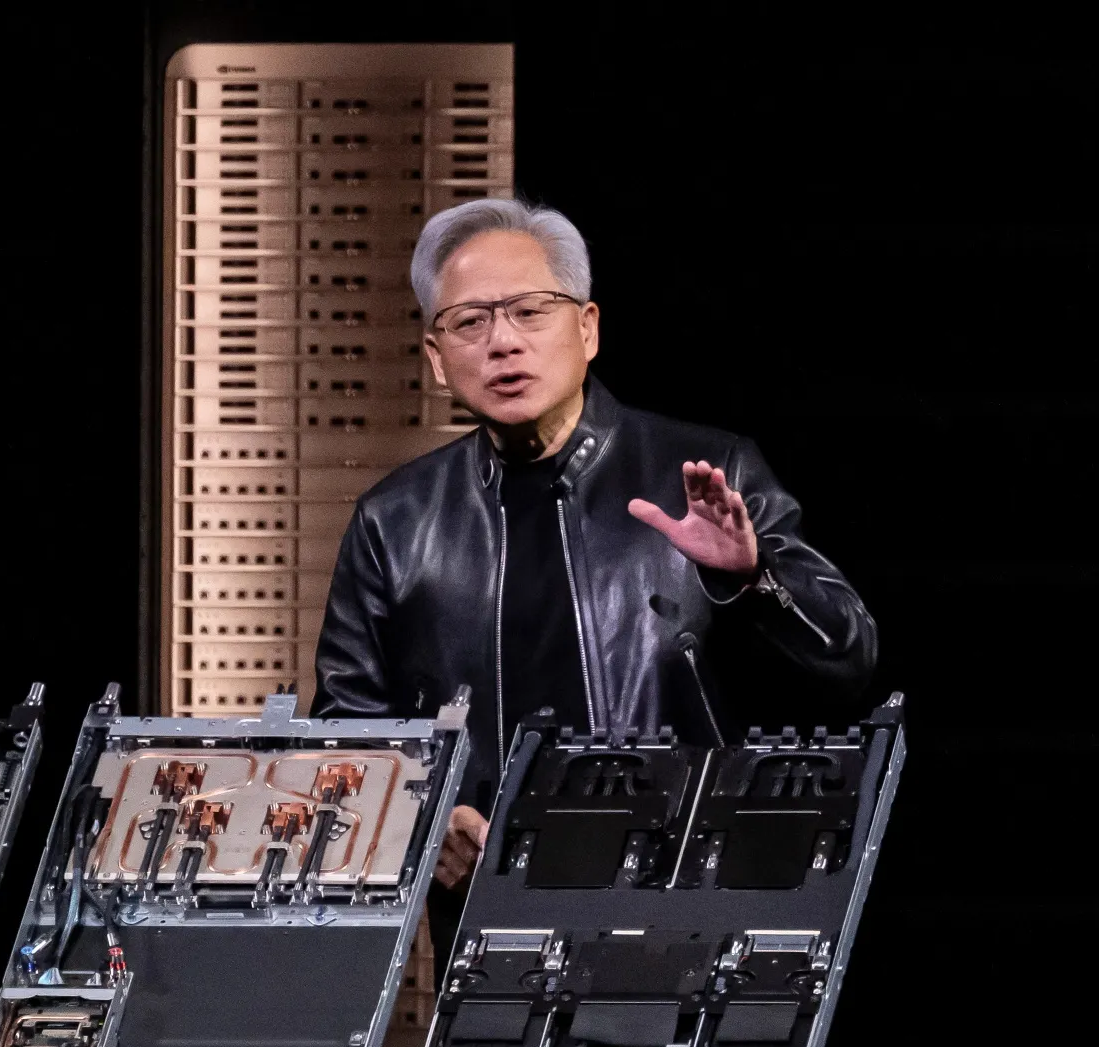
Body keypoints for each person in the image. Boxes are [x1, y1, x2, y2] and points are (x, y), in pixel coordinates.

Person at [313, 198, 877, 923]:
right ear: (436, 358)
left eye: (529, 311)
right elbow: (345, 747)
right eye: (471, 321)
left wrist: (750, 577)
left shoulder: (703, 473)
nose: (502, 342)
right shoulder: (395, 522)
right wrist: (421, 825)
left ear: (587, 329)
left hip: (693, 905)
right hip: (490, 923)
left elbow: (849, 663)